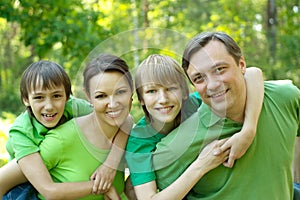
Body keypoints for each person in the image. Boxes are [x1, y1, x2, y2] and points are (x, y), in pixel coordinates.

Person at [150, 31, 300, 199]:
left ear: (241, 65)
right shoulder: (176, 146)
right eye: (199, 78)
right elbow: (137, 190)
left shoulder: (286, 98)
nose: (213, 85)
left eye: (220, 69)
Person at [125, 54, 264, 199]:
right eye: (152, 91)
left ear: (184, 92)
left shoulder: (194, 104)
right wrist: (202, 165)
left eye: (171, 89)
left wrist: (249, 130)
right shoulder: (139, 141)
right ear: (141, 99)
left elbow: (252, 73)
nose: (163, 99)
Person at [0, 59, 130, 199]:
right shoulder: (21, 132)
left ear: (67, 97)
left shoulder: (75, 107)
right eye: (39, 97)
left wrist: (110, 164)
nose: (49, 106)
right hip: (24, 184)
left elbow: (125, 119)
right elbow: (48, 190)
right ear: (26, 99)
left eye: (56, 96)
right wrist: (103, 186)